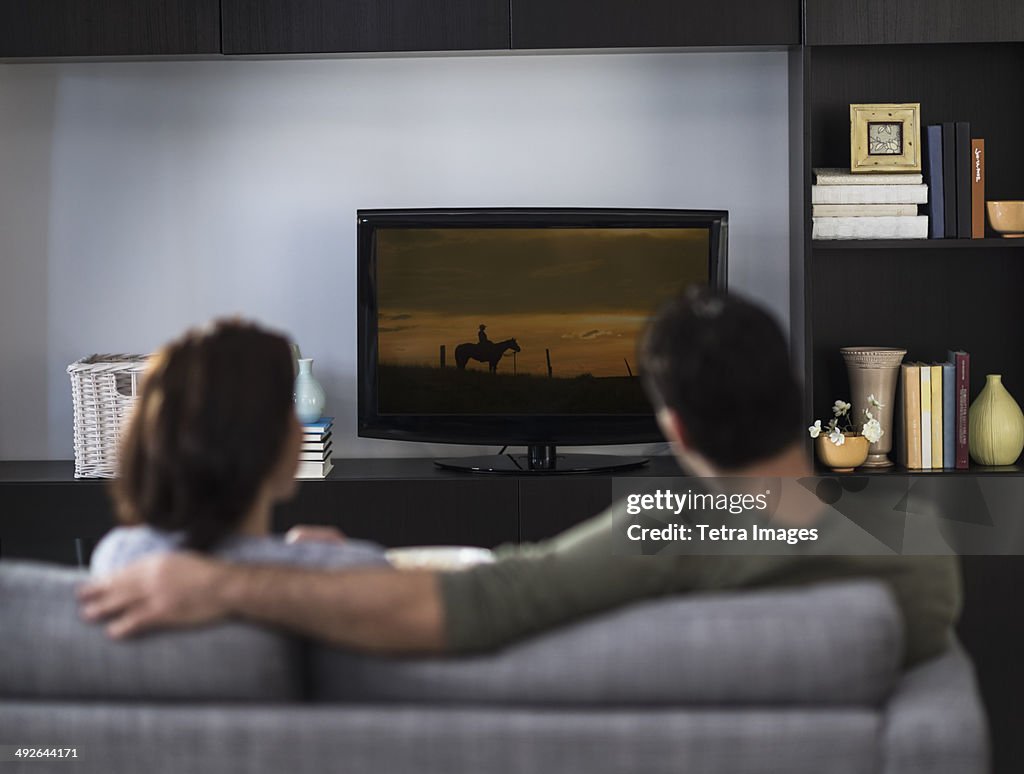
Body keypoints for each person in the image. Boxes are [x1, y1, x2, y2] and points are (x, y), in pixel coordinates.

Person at [80, 290, 960, 666]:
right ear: (793, 396)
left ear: (675, 427)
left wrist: (225, 579)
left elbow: (479, 605)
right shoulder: (919, 556)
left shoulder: (656, 536)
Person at [90, 319, 387, 575]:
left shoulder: (116, 560)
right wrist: (310, 559)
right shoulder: (348, 569)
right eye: (288, 409)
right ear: (273, 443)